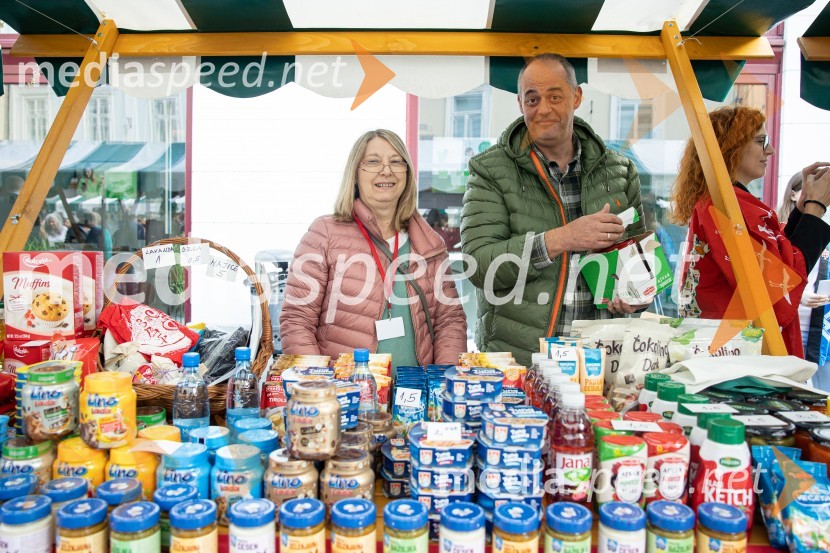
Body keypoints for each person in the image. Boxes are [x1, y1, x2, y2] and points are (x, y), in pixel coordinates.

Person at [460, 53, 646, 365]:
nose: (543, 108)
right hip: (521, 362)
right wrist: (562, 238)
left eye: (555, 96)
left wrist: (634, 297)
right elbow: (479, 264)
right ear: (520, 104)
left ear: (576, 97)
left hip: (599, 362)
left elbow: (640, 266)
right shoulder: (490, 170)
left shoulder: (620, 171)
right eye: (532, 99)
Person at [279, 129, 467, 369]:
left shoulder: (430, 245)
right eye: (373, 161)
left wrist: (442, 384)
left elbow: (450, 321)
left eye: (396, 162)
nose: (386, 170)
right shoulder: (325, 234)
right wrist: (320, 385)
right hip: (347, 397)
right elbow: (297, 321)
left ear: (407, 174)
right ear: (355, 173)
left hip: (417, 399)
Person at [673, 106, 830, 357]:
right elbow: (777, 283)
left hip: (726, 344)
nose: (770, 150)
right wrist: (816, 207)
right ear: (731, 146)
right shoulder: (726, 206)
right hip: (735, 352)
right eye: (761, 141)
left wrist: (801, 211)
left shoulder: (725, 201)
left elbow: (773, 258)